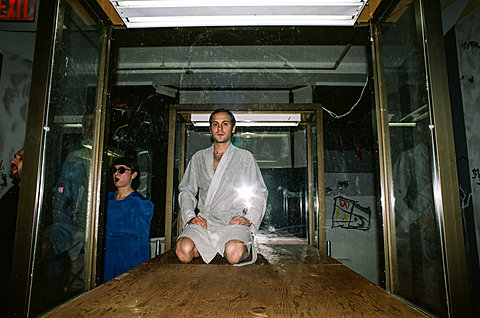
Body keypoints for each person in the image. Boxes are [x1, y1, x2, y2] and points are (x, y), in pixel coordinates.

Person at [175, 109, 268, 265]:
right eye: (215, 124)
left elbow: (260, 191)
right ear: (210, 129)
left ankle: (238, 245)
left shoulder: (245, 157)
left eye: (225, 124)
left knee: (234, 253)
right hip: (205, 219)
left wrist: (249, 218)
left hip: (232, 220)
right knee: (183, 251)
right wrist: (190, 216)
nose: (219, 129)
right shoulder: (198, 157)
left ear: (233, 128)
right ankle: (215, 247)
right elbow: (186, 191)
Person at [103, 157, 154, 282]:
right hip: (106, 257)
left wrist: (141, 269)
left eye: (121, 170)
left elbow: (143, 239)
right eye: (114, 170)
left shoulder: (141, 203)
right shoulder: (105, 199)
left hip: (128, 257)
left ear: (133, 174)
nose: (116, 174)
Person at [1, 148, 23, 312]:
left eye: (20, 158)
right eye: (15, 156)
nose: (12, 161)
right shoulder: (12, 193)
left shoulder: (34, 199)